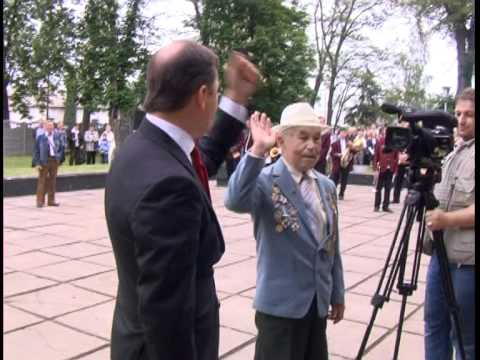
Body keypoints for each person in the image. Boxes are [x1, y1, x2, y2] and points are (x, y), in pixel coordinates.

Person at [104, 40, 260, 360]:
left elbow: (202, 160)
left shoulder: (141, 148)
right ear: (202, 96)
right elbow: (167, 316)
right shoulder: (170, 186)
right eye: (216, 94)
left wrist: (236, 98)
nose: (216, 101)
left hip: (132, 335)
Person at [225, 104, 345, 360]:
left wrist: (337, 292)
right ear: (281, 139)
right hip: (280, 310)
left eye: (316, 138)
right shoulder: (264, 181)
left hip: (317, 305)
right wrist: (258, 149)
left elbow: (332, 244)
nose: (312, 145)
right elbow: (234, 200)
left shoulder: (326, 186)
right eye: (303, 137)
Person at [424, 87, 475, 360]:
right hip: (440, 255)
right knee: (434, 325)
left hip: (468, 263)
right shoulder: (454, 152)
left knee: (465, 337)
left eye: (470, 114)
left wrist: (447, 219)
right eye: (458, 114)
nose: (462, 120)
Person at [32, 121, 63, 207]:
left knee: (53, 181)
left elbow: (61, 147)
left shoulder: (57, 136)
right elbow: (36, 151)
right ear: (45, 127)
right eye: (48, 126)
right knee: (42, 181)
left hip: (54, 160)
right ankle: (40, 201)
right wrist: (37, 163)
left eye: (51, 126)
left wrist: (59, 158)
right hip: (44, 161)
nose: (50, 128)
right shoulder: (40, 138)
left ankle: (51, 200)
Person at [329, 126, 362, 200]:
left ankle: (341, 194)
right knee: (335, 179)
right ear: (340, 133)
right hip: (337, 162)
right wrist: (338, 154)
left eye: (345, 133)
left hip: (346, 163)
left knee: (344, 179)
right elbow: (332, 153)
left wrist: (352, 148)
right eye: (342, 132)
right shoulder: (335, 142)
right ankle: (332, 193)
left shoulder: (349, 142)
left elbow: (355, 151)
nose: (343, 134)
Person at [372, 127, 398, 212]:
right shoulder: (380, 141)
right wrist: (375, 168)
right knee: (378, 188)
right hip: (381, 168)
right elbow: (376, 155)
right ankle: (376, 206)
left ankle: (385, 206)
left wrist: (395, 168)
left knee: (388, 188)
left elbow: (396, 156)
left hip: (390, 169)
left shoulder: (394, 142)